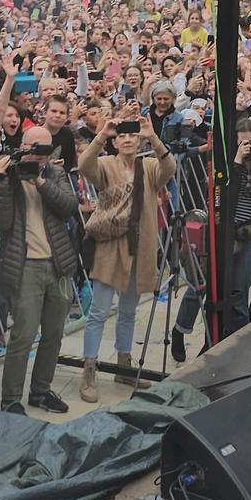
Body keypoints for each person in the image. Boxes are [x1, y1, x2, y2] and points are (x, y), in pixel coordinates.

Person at [76, 101, 174, 400]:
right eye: (122, 135)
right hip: (110, 248)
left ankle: (124, 365)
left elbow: (170, 167)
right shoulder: (106, 165)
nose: (128, 139)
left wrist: (154, 137)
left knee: (128, 312)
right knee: (99, 312)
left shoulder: (150, 166)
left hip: (140, 248)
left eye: (132, 135)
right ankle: (89, 369)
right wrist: (101, 135)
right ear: (116, 142)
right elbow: (84, 166)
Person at [0, 125, 79, 415]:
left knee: (54, 333)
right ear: (22, 146)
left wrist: (40, 182)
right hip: (25, 265)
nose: (39, 155)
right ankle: (10, 398)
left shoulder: (55, 174)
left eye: (45, 150)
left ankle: (41, 390)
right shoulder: (9, 177)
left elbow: (69, 207)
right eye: (34, 148)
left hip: (57, 264)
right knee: (23, 334)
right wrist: (0, 181)